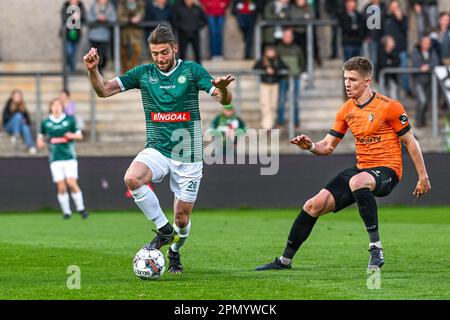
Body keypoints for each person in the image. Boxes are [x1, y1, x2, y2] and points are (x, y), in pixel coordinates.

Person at [256, 56, 431, 271]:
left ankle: (376, 247)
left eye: (353, 79)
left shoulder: (389, 107)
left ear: (367, 81)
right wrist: (310, 146)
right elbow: (328, 146)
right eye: (345, 79)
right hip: (362, 170)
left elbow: (411, 142)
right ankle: (284, 261)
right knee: (313, 205)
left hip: (388, 170)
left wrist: (423, 177)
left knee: (358, 181)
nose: (347, 84)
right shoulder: (346, 109)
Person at [83, 25, 234, 273]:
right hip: (158, 148)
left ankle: (174, 251)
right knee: (132, 178)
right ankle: (164, 231)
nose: (160, 58)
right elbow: (103, 90)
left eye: (164, 52)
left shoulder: (192, 71)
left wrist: (225, 88)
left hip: (189, 153)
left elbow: (222, 98)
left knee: (182, 219)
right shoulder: (144, 74)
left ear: (175, 48)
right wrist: (92, 71)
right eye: (155, 54)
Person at [37, 99, 89, 220]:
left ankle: (81, 208)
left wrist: (72, 135)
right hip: (55, 158)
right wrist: (40, 143)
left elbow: (79, 135)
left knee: (71, 182)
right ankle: (66, 212)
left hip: (69, 157)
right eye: (54, 105)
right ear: (50, 107)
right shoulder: (46, 122)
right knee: (61, 186)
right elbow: (40, 137)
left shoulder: (69, 120)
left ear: (62, 107)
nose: (56, 107)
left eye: (58, 105)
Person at [253, 45, 288, 129]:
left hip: (274, 85)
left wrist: (274, 70)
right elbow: (255, 68)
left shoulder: (277, 60)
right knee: (265, 105)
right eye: (268, 51)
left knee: (273, 106)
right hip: (265, 84)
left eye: (272, 51)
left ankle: (271, 124)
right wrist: (266, 69)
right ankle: (267, 126)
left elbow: (285, 68)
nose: (270, 53)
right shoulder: (262, 60)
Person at [276, 28, 304, 128]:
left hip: (295, 78)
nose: (287, 38)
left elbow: (302, 62)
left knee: (295, 100)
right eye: (285, 36)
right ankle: (280, 121)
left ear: (292, 37)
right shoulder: (278, 49)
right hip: (282, 78)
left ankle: (296, 121)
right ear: (282, 37)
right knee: (281, 100)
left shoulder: (297, 49)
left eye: (289, 36)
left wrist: (298, 72)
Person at [411, 35, 440, 127]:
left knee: (426, 101)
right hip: (418, 80)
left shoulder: (432, 51)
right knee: (422, 100)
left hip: (429, 80)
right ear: (421, 43)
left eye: (428, 43)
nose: (426, 45)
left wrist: (428, 66)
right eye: (425, 43)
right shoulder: (415, 51)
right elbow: (415, 63)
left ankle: (422, 121)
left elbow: (436, 62)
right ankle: (418, 121)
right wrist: (423, 66)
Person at [171, 0, 208, 64]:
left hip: (195, 33)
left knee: (197, 53)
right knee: (182, 54)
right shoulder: (178, 8)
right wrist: (181, 27)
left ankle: (199, 70)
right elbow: (174, 20)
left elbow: (204, 20)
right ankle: (180, 69)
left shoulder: (197, 8)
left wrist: (197, 26)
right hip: (183, 34)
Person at [87, 0, 117, 74]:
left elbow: (114, 19)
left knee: (103, 55)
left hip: (104, 36)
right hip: (93, 36)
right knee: (94, 55)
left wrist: (105, 19)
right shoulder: (93, 7)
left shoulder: (110, 7)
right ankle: (97, 72)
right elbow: (89, 19)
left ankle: (100, 69)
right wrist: (97, 18)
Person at [2, 89, 37, 154]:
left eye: (19, 96)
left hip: (21, 127)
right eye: (16, 96)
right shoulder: (8, 105)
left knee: (25, 127)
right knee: (18, 116)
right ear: (12, 97)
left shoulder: (23, 107)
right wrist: (16, 116)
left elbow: (28, 121)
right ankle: (16, 134)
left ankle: (30, 146)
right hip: (9, 127)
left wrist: (23, 120)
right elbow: (5, 119)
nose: (17, 98)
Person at [118, 0, 146, 73]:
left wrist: (138, 17)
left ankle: (131, 68)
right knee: (123, 52)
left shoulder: (140, 3)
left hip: (136, 32)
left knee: (137, 50)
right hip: (125, 32)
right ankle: (124, 70)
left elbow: (142, 12)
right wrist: (129, 20)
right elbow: (120, 16)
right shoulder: (122, 3)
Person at [61, 0, 87, 72]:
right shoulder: (65, 6)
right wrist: (72, 16)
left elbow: (85, 18)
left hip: (77, 34)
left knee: (74, 52)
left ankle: (72, 69)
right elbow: (63, 18)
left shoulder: (81, 6)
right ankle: (69, 68)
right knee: (69, 51)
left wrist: (79, 15)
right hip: (67, 34)